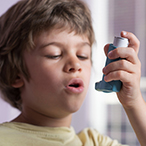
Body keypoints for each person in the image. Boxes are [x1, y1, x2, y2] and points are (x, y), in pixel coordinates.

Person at [0, 0, 145, 145]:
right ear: (14, 73)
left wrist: (134, 102)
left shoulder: (95, 142)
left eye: (82, 55)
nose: (75, 64)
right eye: (54, 54)